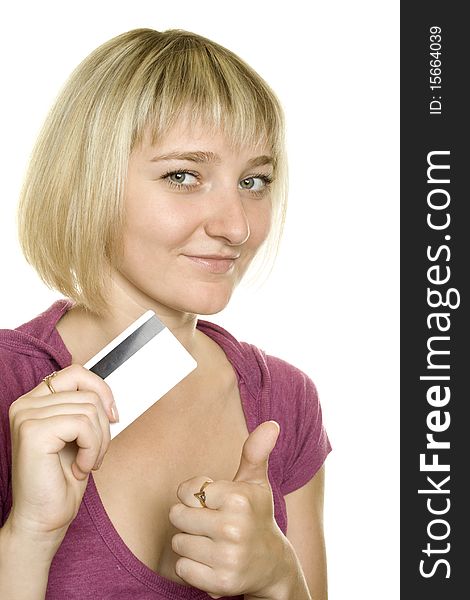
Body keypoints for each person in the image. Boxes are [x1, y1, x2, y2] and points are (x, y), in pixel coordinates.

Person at [0, 28, 331, 600]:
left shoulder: (284, 400)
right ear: (89, 182)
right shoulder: (8, 383)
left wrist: (279, 579)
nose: (237, 226)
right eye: (184, 176)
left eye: (254, 181)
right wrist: (28, 536)